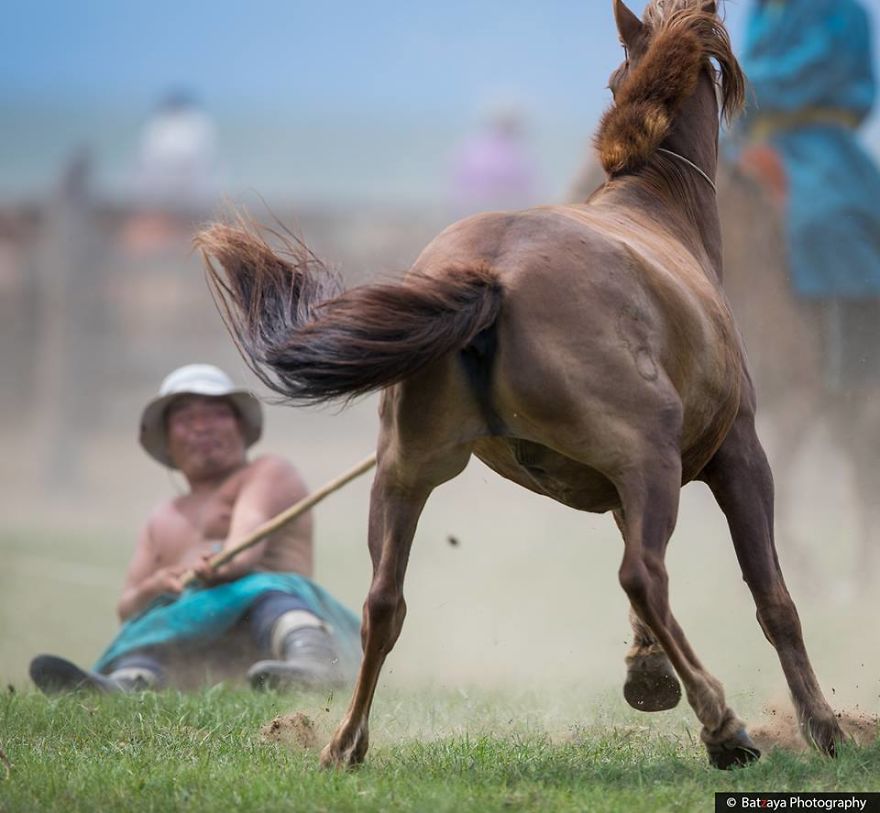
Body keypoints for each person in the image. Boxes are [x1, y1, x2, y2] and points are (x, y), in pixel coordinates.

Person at [29, 364, 361, 693]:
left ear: (241, 427)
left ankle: (313, 661)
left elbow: (242, 554)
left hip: (269, 634)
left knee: (260, 587)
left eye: (217, 414)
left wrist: (222, 564)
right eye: (186, 420)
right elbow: (127, 609)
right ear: (167, 441)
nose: (202, 427)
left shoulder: (268, 472)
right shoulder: (162, 517)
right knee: (153, 622)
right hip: (197, 660)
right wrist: (156, 586)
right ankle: (125, 684)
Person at [736, 0, 880, 392]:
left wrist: (737, 82)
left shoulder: (845, 12)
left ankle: (855, 364)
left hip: (817, 143)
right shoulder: (765, 9)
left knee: (824, 218)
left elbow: (807, 73)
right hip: (747, 140)